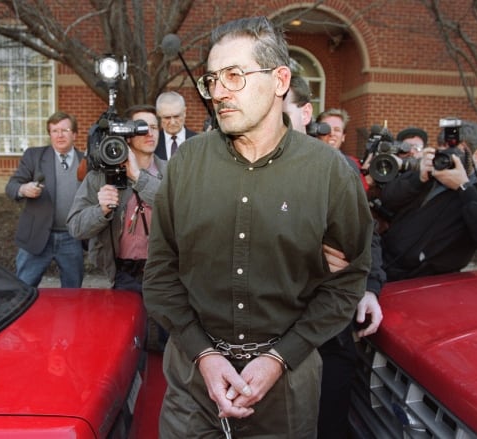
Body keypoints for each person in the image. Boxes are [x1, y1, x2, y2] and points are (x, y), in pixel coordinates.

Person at [143, 16, 374, 438]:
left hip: (286, 386)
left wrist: (280, 358)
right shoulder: (185, 165)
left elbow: (350, 278)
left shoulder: (329, 172)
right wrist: (205, 357)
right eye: (212, 79)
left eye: (235, 75)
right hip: (193, 383)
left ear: (280, 79)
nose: (219, 92)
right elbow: (159, 275)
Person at [282, 76, 384, 439]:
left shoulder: (337, 170)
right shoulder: (239, 173)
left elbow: (365, 238)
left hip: (330, 336)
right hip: (266, 338)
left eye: (281, 114)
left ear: (306, 114)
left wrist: (368, 287)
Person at [67, 105, 168, 348]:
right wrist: (100, 211)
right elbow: (75, 227)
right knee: (128, 344)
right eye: (141, 128)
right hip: (123, 274)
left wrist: (138, 178)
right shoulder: (100, 177)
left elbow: (181, 208)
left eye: (154, 127)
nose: (149, 133)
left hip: (165, 273)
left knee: (167, 345)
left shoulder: (173, 171)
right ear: (126, 134)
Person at [379, 119, 477, 281]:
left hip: (427, 282)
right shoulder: (430, 174)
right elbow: (388, 200)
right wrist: (418, 179)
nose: (448, 155)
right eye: (444, 148)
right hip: (384, 266)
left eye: (457, 150)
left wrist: (464, 188)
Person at [4, 111, 85, 288]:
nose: (60, 135)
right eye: (54, 131)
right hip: (37, 235)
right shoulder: (34, 156)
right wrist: (24, 189)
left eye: (65, 130)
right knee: (23, 289)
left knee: (73, 292)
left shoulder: (86, 161)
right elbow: (11, 186)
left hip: (72, 237)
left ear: (74, 134)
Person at [316, 108, 370, 192]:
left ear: (343, 136)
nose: (331, 133)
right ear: (317, 133)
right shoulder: (307, 162)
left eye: (337, 130)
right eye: (326, 128)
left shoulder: (350, 165)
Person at [154, 91, 197, 160]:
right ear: (158, 115)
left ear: (184, 112)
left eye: (176, 116)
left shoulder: (198, 141)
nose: (172, 122)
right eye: (167, 117)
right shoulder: (153, 142)